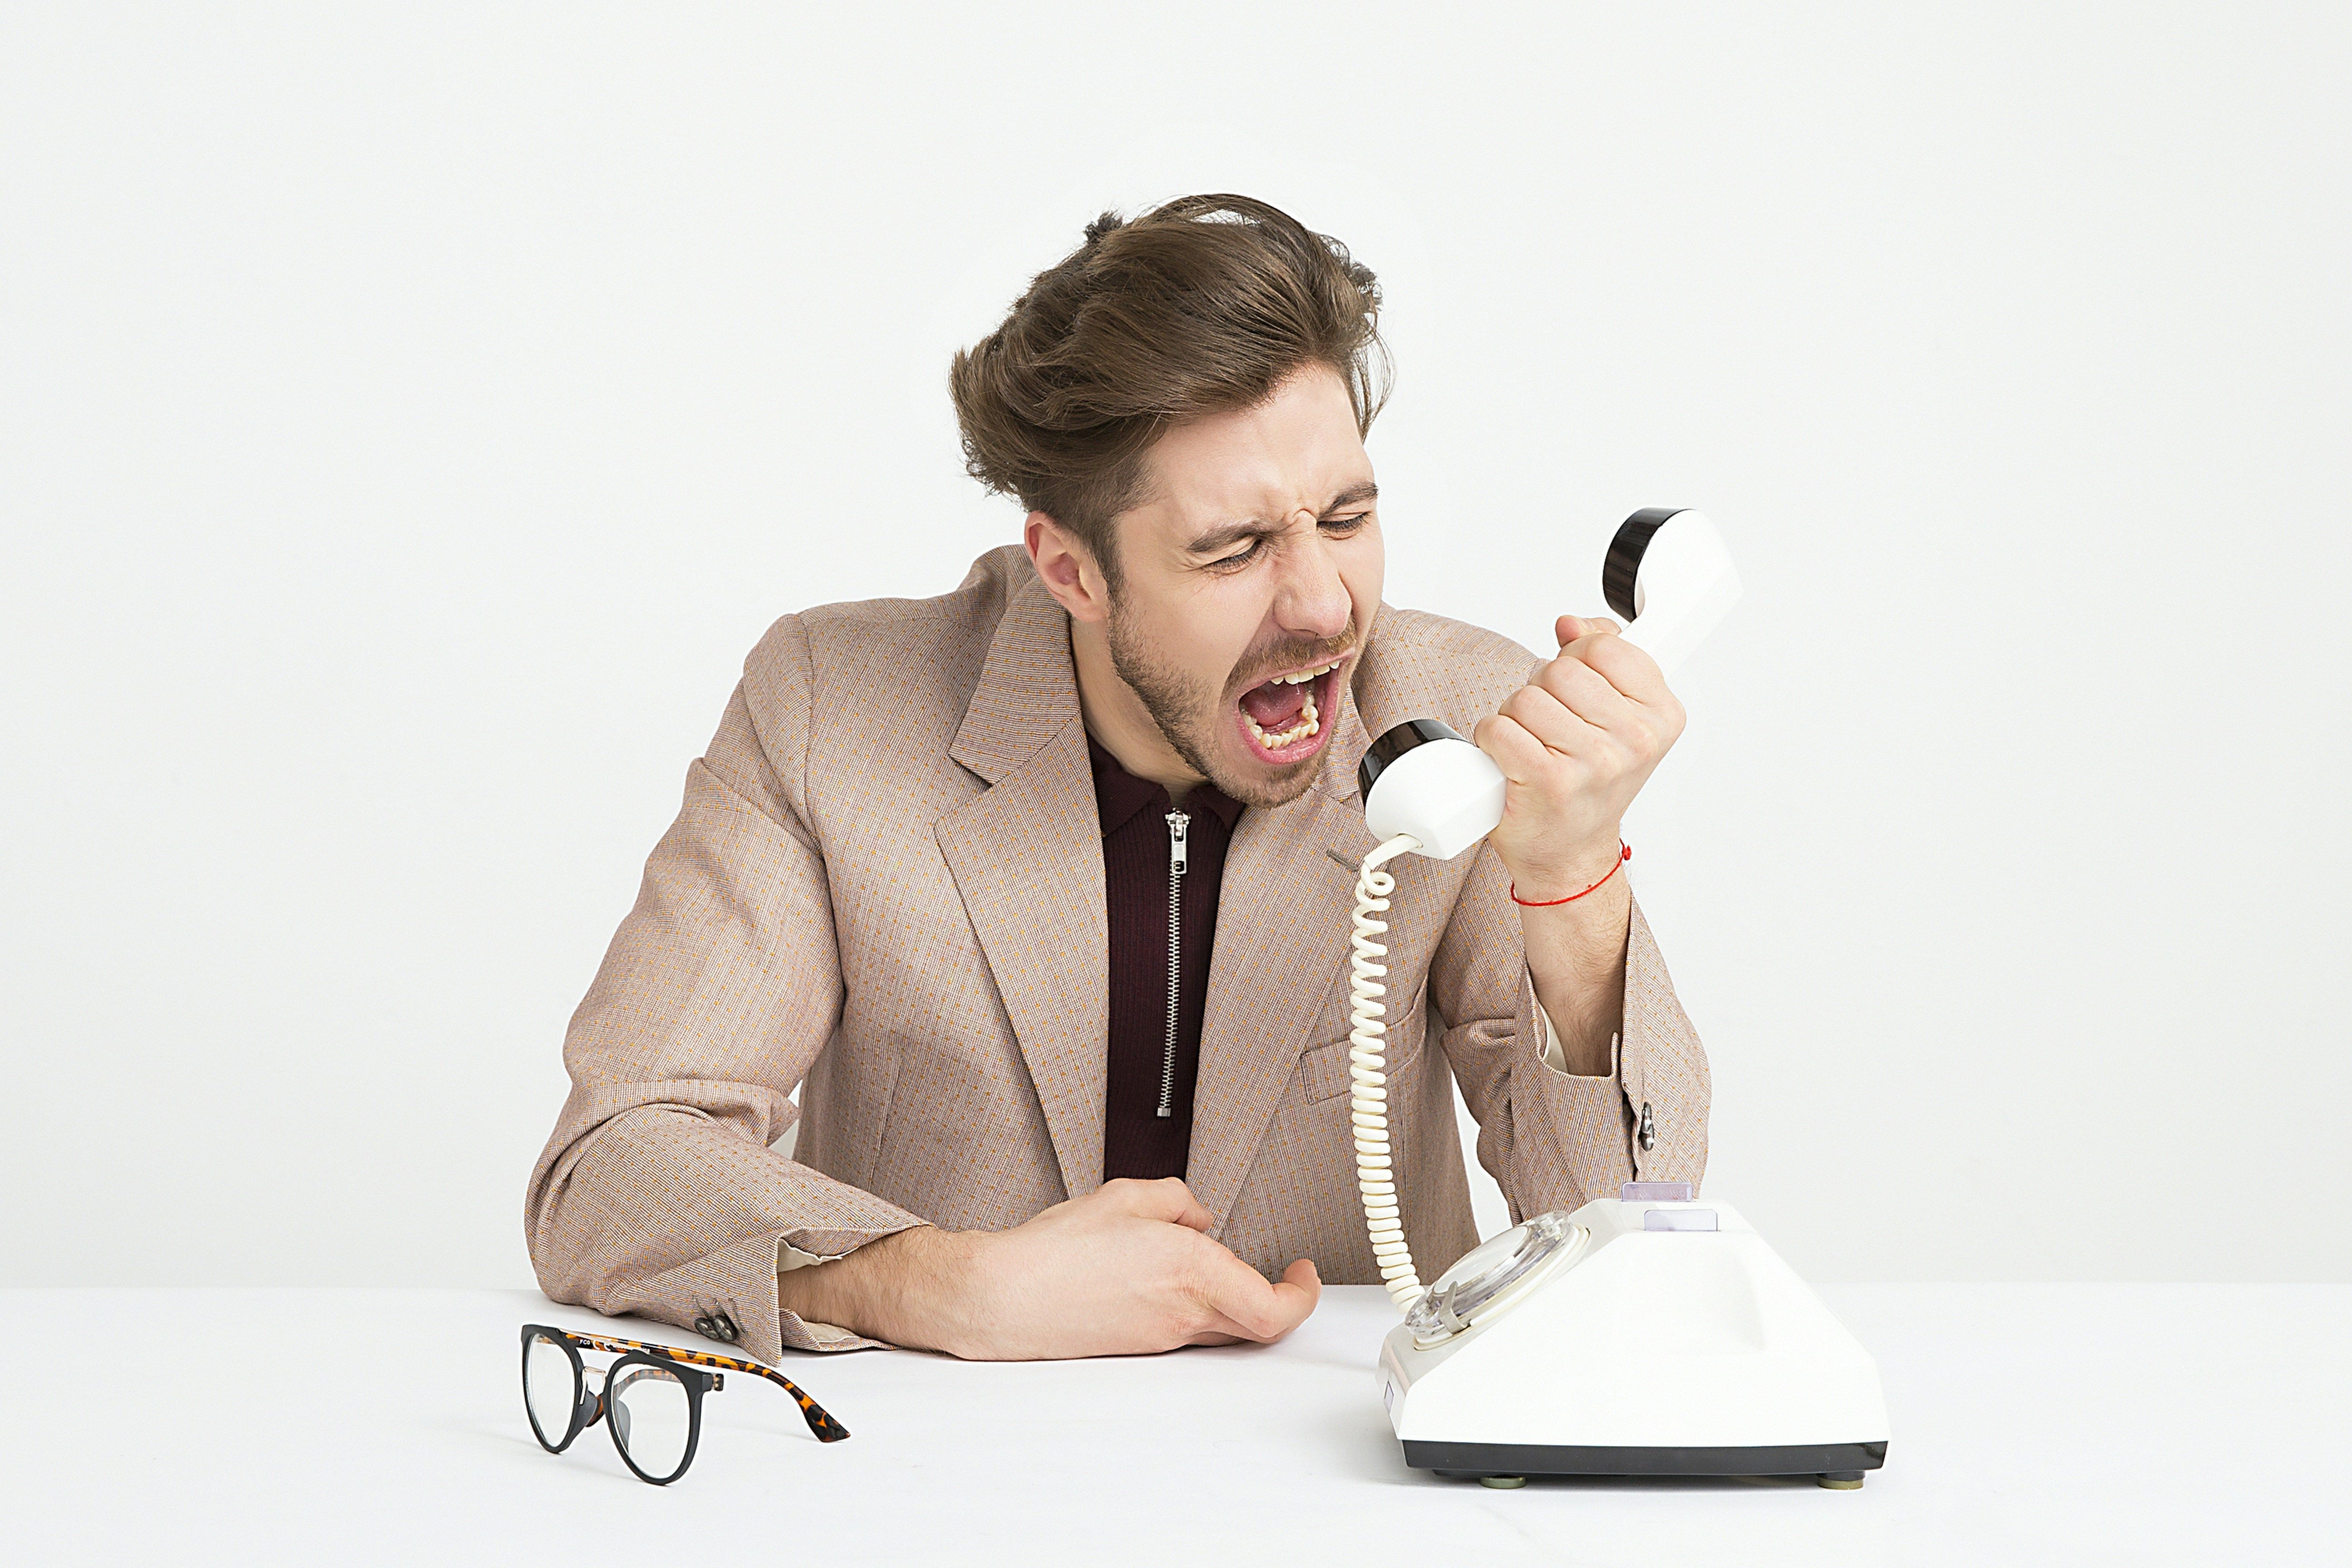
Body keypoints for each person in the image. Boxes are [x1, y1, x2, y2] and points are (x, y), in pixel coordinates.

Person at [524, 194, 1709, 1364]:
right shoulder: (832, 703)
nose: (1324, 605)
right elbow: (614, 1160)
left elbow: (1628, 1232)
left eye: (1346, 517)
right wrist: (936, 1286)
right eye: (1233, 548)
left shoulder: (1458, 718)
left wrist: (1571, 880)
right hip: (933, 1480)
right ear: (1072, 569)